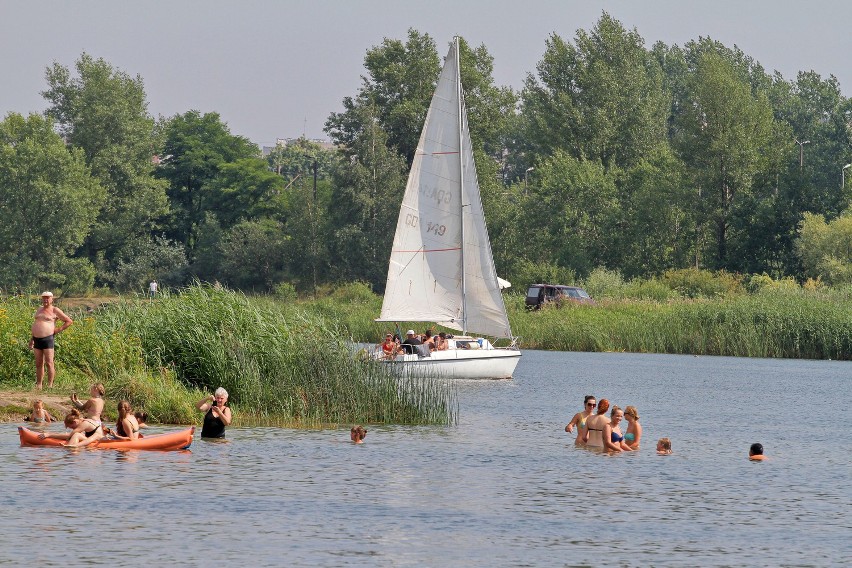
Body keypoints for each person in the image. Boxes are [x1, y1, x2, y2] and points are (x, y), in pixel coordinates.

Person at [29, 291, 73, 389]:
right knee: (39, 363)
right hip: (36, 339)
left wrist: (58, 330)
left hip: (47, 339)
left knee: (49, 362)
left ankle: (50, 385)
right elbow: (36, 324)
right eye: (44, 298)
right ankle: (39, 384)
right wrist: (31, 339)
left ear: (52, 299)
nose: (45, 299)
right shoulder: (39, 309)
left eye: (47, 298)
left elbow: (69, 321)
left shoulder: (55, 310)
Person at [39, 409, 103, 447]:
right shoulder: (82, 420)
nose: (73, 429)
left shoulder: (85, 423)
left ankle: (71, 447)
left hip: (98, 440)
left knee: (76, 434)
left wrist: (49, 435)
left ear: (74, 422)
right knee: (75, 434)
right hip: (94, 439)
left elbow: (70, 435)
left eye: (72, 427)